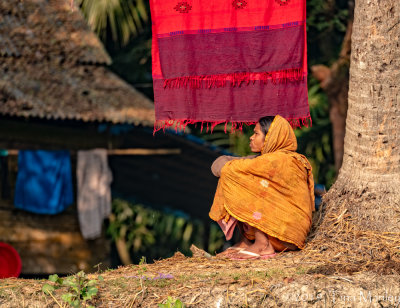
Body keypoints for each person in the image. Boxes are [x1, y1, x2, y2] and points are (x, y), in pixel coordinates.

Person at [209, 115, 315, 260]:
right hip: (279, 233)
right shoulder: (268, 160)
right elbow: (219, 165)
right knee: (239, 175)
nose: (251, 137)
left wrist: (228, 165)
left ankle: (262, 244)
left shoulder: (280, 160)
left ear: (271, 137)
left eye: (256, 133)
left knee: (239, 177)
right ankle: (246, 242)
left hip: (286, 235)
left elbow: (225, 168)